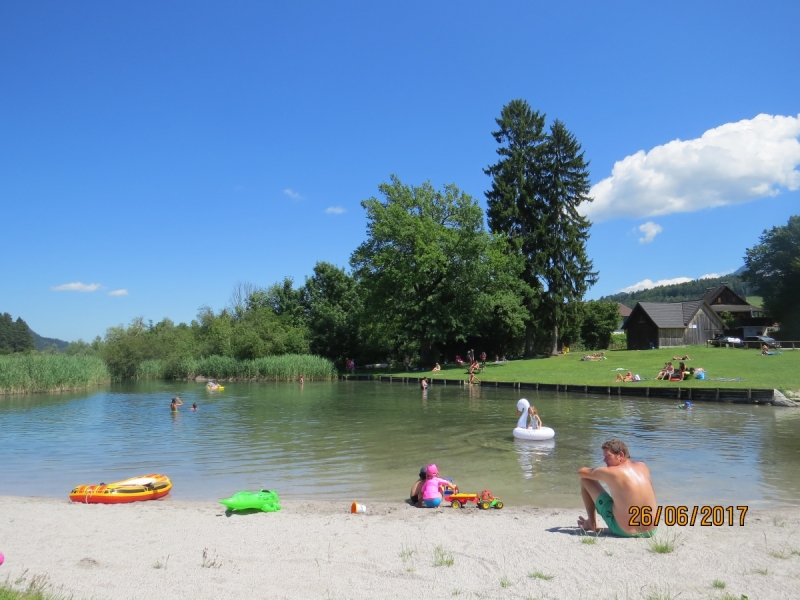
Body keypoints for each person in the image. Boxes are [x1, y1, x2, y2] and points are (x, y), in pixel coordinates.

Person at [577, 439, 658, 538]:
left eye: (608, 456)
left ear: (620, 455)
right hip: (651, 530)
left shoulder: (612, 472)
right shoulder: (643, 466)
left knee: (586, 479)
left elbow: (581, 472)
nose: (604, 460)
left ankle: (591, 523)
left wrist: (598, 470)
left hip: (624, 531)